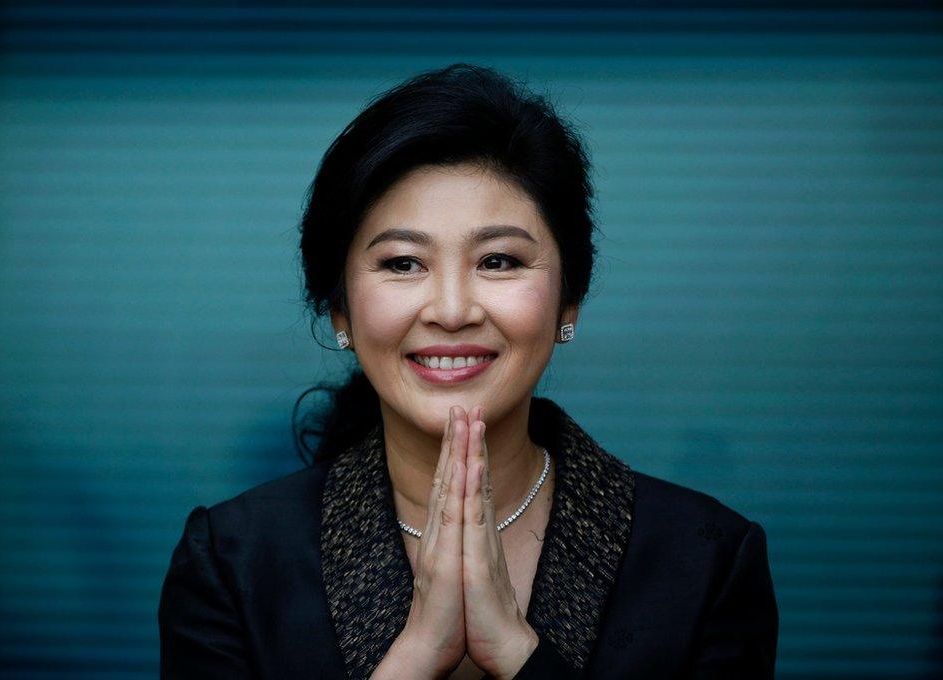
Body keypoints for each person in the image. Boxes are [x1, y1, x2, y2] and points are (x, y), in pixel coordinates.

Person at [158, 63, 779, 679]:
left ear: (569, 300)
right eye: (402, 264)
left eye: (500, 260)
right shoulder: (232, 563)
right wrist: (416, 658)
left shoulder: (706, 561)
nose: (452, 311)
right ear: (339, 309)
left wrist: (515, 652)